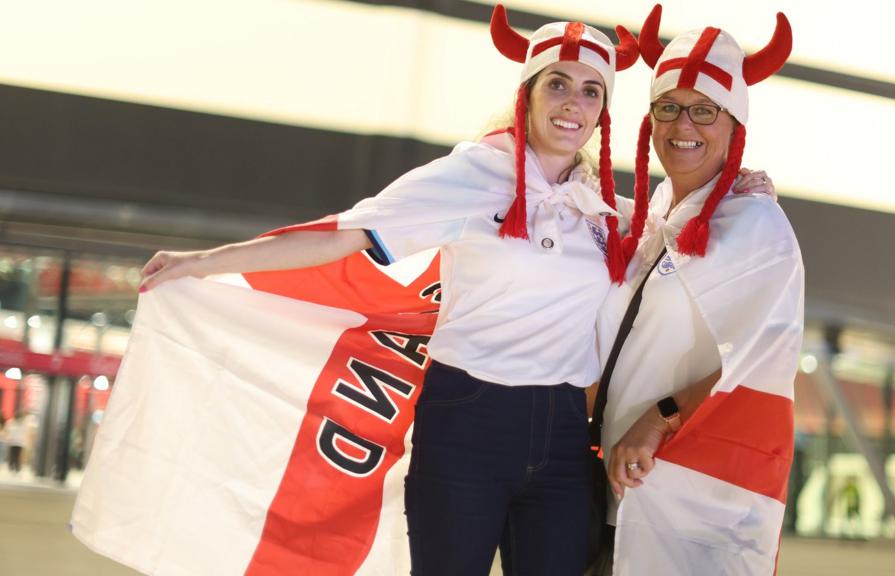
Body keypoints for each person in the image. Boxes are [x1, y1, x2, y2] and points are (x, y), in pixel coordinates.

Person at [139, 6, 652, 575]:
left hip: (562, 432)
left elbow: (682, 241)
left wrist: (738, 192)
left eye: (590, 92)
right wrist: (206, 262)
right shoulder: (472, 176)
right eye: (557, 83)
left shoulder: (603, 210)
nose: (572, 104)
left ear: (603, 112)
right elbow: (346, 232)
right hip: (468, 420)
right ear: (527, 92)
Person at [594, 6, 804, 574]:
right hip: (603, 492)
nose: (683, 125)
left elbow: (763, 363)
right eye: (668, 107)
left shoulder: (755, 226)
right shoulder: (661, 210)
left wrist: (660, 416)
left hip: (684, 498)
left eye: (705, 111)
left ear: (735, 126)